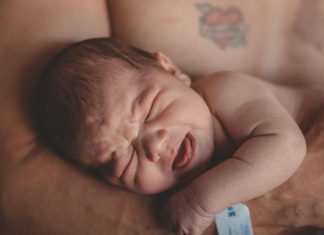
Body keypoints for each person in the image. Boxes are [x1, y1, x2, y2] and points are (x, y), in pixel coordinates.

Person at [1, 1, 324, 235]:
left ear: (172, 71)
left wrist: (200, 202)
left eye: (152, 108)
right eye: (119, 158)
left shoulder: (225, 90)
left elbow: (287, 147)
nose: (154, 148)